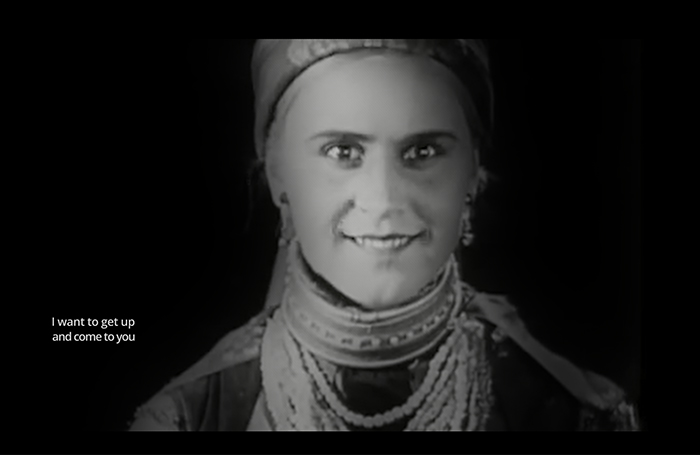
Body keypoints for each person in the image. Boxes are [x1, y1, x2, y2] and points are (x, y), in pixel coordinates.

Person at [129, 39, 640, 431]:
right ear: (278, 174)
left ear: (472, 173)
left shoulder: (571, 413)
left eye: (422, 152)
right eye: (342, 152)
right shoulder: (188, 417)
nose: (383, 197)